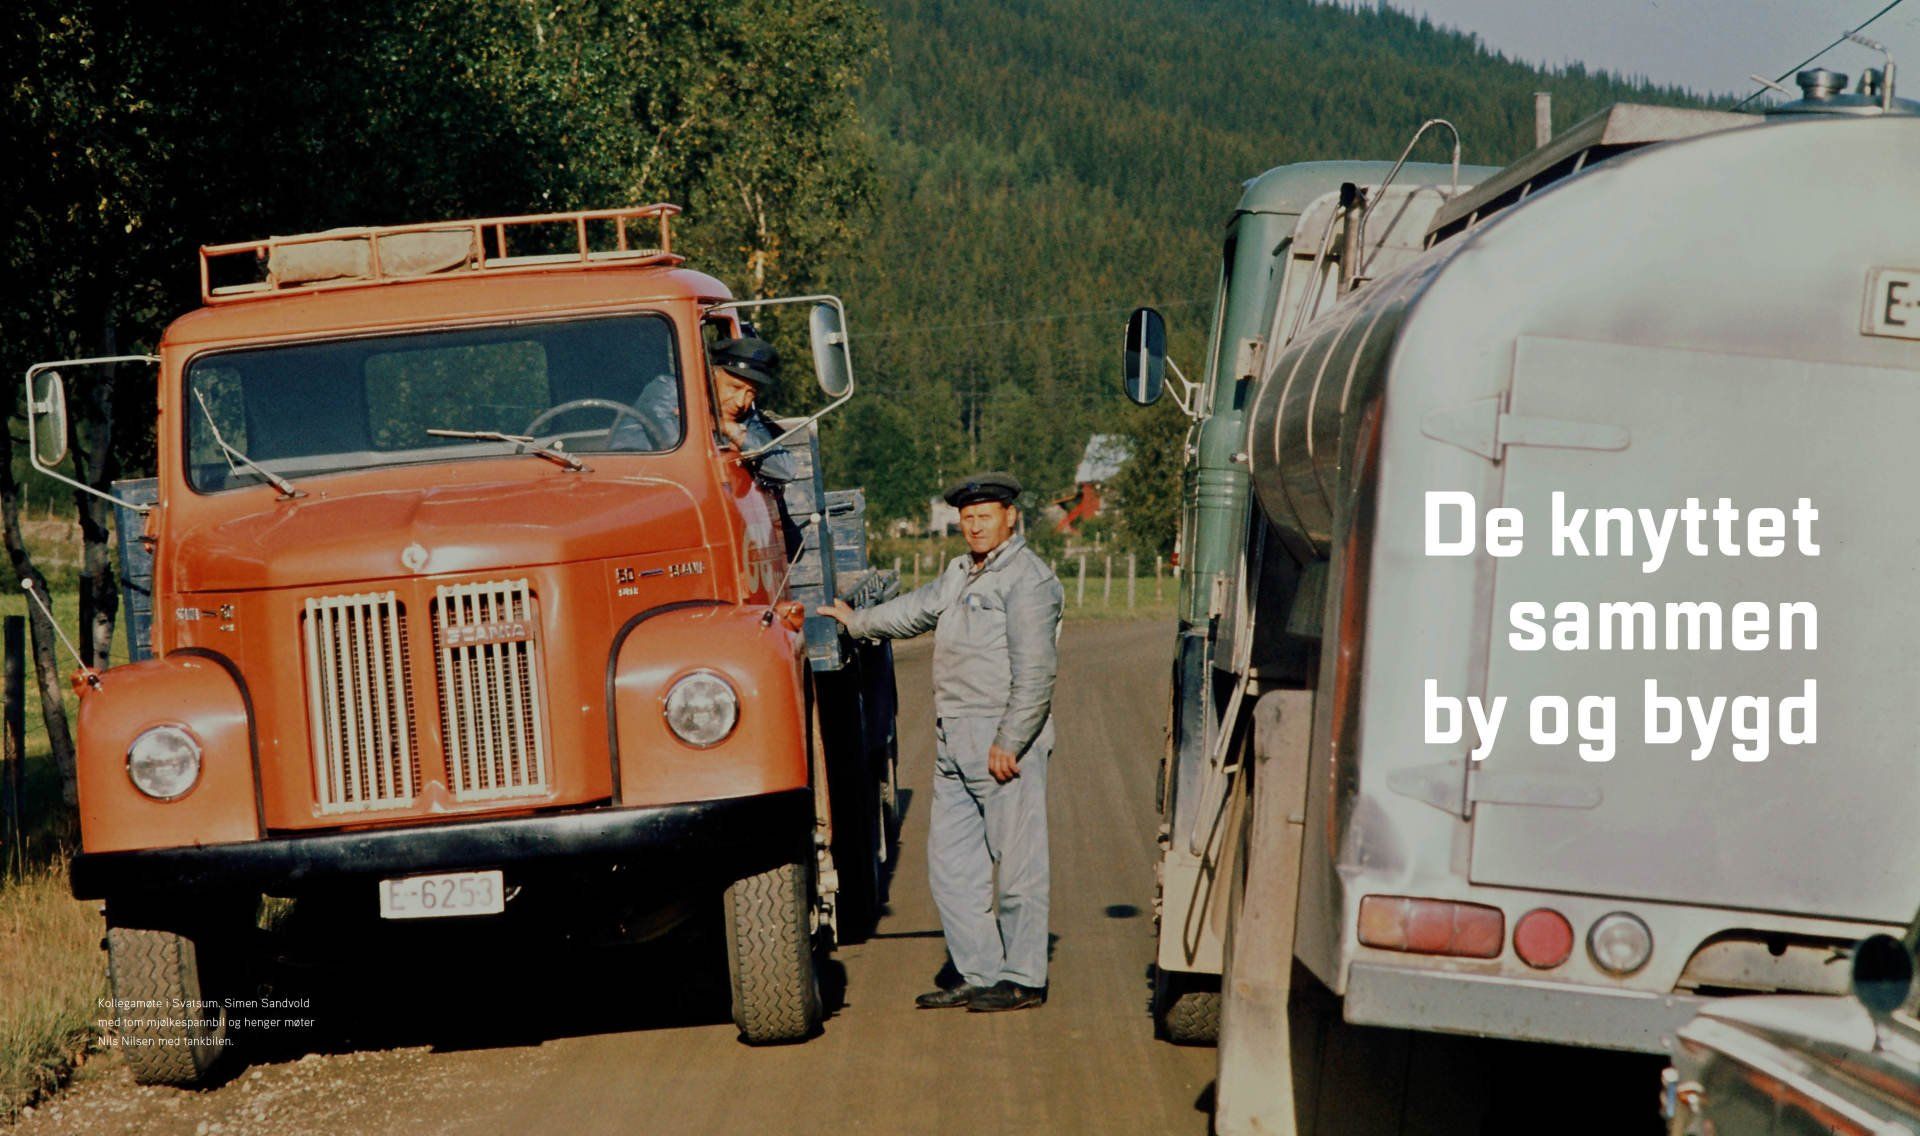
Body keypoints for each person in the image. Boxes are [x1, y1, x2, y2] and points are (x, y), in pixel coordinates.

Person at [818, 472, 1065, 1013]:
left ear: (1010, 517)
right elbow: (916, 609)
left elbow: (1036, 673)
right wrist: (856, 622)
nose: (975, 525)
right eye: (968, 517)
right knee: (952, 866)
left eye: (986, 515)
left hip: (1002, 738)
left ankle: (1023, 978)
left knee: (1017, 866)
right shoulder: (961, 572)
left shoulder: (1028, 580)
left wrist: (1011, 739)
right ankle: (979, 972)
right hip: (953, 735)